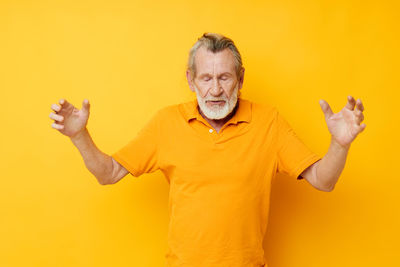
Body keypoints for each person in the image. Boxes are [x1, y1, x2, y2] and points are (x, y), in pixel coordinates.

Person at [48, 33, 366, 267]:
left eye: (225, 77)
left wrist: (339, 144)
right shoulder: (166, 122)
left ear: (241, 79)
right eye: (207, 78)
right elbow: (108, 173)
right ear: (191, 80)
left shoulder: (269, 122)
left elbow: (324, 181)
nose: (215, 89)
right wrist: (79, 135)